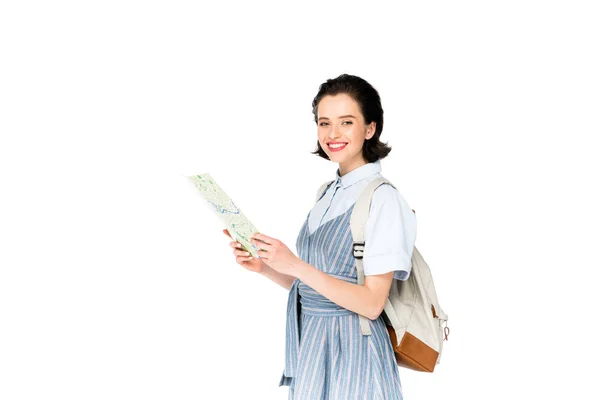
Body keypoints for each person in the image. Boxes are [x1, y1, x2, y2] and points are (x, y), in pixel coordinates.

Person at [223, 73, 417, 399]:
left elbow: (371, 303)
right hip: (313, 345)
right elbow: (318, 289)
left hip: (356, 349)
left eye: (346, 122)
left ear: (370, 129)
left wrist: (295, 266)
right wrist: (267, 268)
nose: (333, 134)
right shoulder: (327, 192)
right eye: (324, 123)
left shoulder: (383, 199)